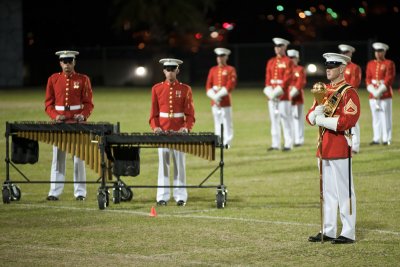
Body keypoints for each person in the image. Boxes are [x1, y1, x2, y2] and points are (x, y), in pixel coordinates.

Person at [306, 53, 360, 244]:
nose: (328, 68)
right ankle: (328, 229)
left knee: (344, 191)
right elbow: (310, 117)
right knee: (326, 192)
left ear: (342, 68)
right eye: (327, 66)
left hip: (339, 148)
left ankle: (348, 232)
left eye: (333, 66)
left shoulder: (348, 92)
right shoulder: (324, 90)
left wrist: (322, 120)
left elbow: (348, 121)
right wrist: (314, 116)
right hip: (323, 148)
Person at [45, 50, 94, 201]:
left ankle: (80, 193)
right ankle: (54, 192)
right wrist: (55, 116)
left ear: (74, 62)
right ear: (60, 63)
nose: (67, 65)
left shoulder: (83, 79)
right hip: (59, 123)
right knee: (58, 158)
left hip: (77, 123)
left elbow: (88, 103)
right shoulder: (53, 79)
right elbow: (48, 104)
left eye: (70, 62)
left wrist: (83, 115)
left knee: (78, 158)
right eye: (64, 62)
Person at [149, 58, 195, 207]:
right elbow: (153, 113)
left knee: (179, 164)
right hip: (162, 131)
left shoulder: (185, 89)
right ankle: (162, 196)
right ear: (163, 71)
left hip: (179, 132)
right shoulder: (156, 88)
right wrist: (155, 127)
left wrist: (186, 127)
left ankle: (180, 196)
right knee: (163, 163)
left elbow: (190, 114)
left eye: (172, 69)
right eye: (167, 69)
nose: (170, 72)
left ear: (177, 70)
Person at [263, 37, 294, 151]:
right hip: (271, 95)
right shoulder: (271, 61)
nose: (277, 48)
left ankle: (288, 144)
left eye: (280, 46)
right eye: (276, 46)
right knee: (274, 120)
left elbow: (287, 79)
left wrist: (276, 92)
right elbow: (268, 78)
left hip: (283, 96)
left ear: (285, 47)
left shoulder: (288, 62)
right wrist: (269, 91)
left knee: (285, 120)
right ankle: (275, 144)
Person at [205, 47, 237, 147]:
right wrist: (214, 96)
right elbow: (208, 85)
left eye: (222, 56)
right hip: (214, 101)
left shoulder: (230, 69)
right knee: (217, 122)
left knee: (227, 122)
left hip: (225, 100)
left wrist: (219, 95)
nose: (219, 58)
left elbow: (230, 85)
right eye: (218, 56)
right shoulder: (213, 70)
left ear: (226, 57)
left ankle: (227, 142)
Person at [365, 42, 395, 146]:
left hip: (385, 94)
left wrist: (379, 91)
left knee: (386, 117)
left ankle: (387, 138)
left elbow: (389, 79)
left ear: (384, 52)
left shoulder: (389, 63)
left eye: (380, 51)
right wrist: (373, 91)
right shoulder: (370, 64)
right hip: (373, 95)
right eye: (376, 51)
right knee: (376, 117)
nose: (377, 53)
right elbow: (368, 78)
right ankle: (376, 138)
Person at [338, 44, 362, 154]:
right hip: (339, 98)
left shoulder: (355, 68)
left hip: (351, 98)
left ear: (350, 53)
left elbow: (354, 83)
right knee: (342, 121)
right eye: (343, 53)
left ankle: (355, 146)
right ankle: (345, 144)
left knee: (353, 122)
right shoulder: (338, 67)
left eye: (346, 52)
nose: (344, 54)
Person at [287, 49, 306, 147]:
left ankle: (299, 140)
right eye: (289, 58)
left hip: (297, 98)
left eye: (293, 58)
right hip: (286, 98)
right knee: (289, 119)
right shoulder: (286, 69)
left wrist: (293, 92)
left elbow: (301, 82)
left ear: (297, 59)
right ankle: (291, 139)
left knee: (298, 118)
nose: (291, 60)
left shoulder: (300, 69)